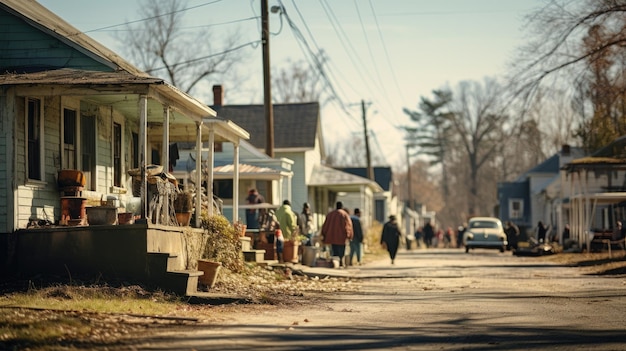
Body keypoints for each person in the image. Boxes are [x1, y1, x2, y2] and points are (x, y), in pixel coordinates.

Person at [321, 201, 353, 267]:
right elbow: (348, 226)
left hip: (332, 237)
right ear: (342, 206)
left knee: (334, 251)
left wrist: (323, 234)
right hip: (342, 238)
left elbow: (325, 226)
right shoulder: (344, 214)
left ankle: (335, 263)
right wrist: (349, 235)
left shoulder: (330, 214)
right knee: (341, 251)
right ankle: (341, 263)